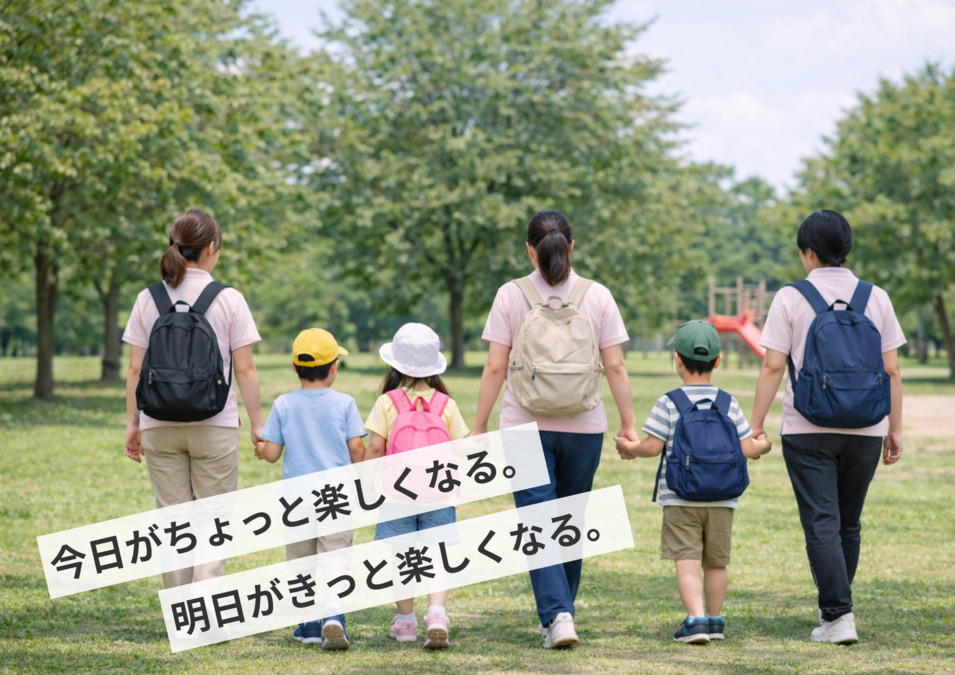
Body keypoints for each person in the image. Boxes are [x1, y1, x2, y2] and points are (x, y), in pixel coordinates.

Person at [473, 210, 637, 649]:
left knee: (537, 520)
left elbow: (494, 367)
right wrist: (628, 424)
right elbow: (616, 365)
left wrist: (477, 427)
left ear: (530, 248)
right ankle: (560, 613)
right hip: (585, 427)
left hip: (523, 424)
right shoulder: (597, 295)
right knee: (570, 520)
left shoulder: (511, 295)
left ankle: (558, 615)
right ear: (571, 246)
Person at [749, 210, 905, 644]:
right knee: (847, 523)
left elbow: (772, 365)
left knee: (821, 521)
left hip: (807, 427)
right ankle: (835, 612)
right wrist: (895, 428)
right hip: (868, 428)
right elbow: (892, 370)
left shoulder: (790, 297)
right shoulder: (877, 297)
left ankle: (838, 616)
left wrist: (756, 425)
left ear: (809, 253)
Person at [123, 209, 264, 588]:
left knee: (172, 518)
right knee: (214, 519)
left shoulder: (147, 298)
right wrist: (257, 425)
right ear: (212, 248)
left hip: (159, 423)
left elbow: (135, 370)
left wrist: (133, 424)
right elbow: (246, 370)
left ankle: (179, 610)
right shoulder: (229, 299)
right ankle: (203, 613)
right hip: (214, 423)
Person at [614, 320, 771, 644]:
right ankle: (715, 621)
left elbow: (652, 447)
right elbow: (747, 448)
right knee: (716, 562)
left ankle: (695, 620)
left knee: (686, 561)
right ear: (717, 361)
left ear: (677, 360)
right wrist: (765, 445)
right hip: (723, 498)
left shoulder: (668, 402)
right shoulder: (728, 403)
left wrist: (630, 448)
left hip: (679, 497)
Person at [254, 328, 366, 650]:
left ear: (293, 366)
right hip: (337, 498)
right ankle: (333, 611)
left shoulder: (284, 404)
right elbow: (357, 447)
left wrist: (261, 448)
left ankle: (309, 625)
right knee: (335, 557)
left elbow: (273, 453)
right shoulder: (345, 403)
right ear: (333, 368)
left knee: (301, 562)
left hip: (296, 502)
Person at [362, 322, 470, 650]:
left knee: (403, 557)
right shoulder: (445, 404)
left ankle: (406, 622)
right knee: (437, 555)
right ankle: (436, 614)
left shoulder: (387, 402)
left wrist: (367, 483)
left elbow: (377, 448)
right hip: (438, 491)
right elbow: (461, 448)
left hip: (398, 493)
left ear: (394, 364)